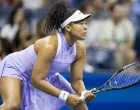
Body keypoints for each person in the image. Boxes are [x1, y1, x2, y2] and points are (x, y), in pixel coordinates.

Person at [0, 1, 96, 110]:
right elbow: (36, 80)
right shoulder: (49, 45)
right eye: (80, 23)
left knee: (80, 103)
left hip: (44, 75)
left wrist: (83, 92)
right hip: (16, 68)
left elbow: (77, 80)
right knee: (12, 105)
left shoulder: (80, 49)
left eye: (85, 23)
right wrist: (66, 96)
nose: (85, 27)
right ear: (68, 27)